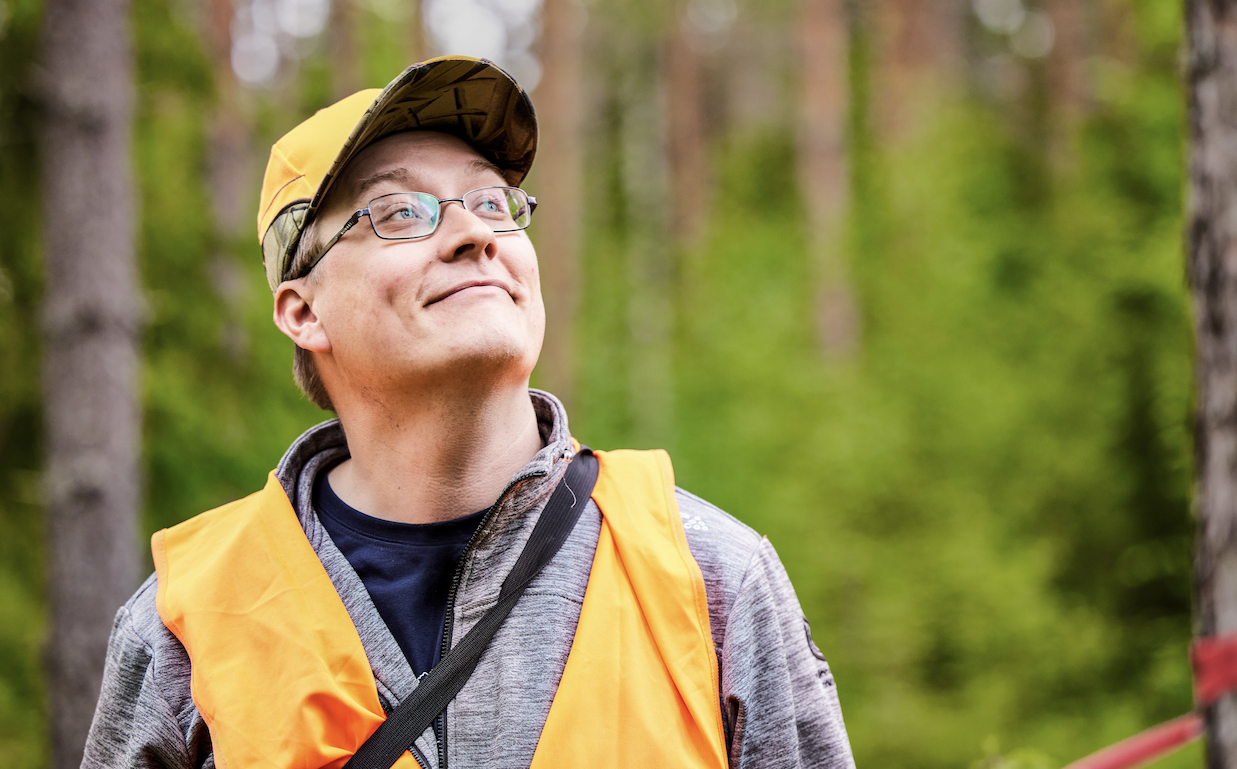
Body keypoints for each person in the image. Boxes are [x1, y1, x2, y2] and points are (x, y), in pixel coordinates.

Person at [82, 57, 855, 769]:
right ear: (303, 311)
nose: (475, 233)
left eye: (491, 201)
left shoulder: (710, 576)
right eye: (399, 211)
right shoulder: (187, 625)